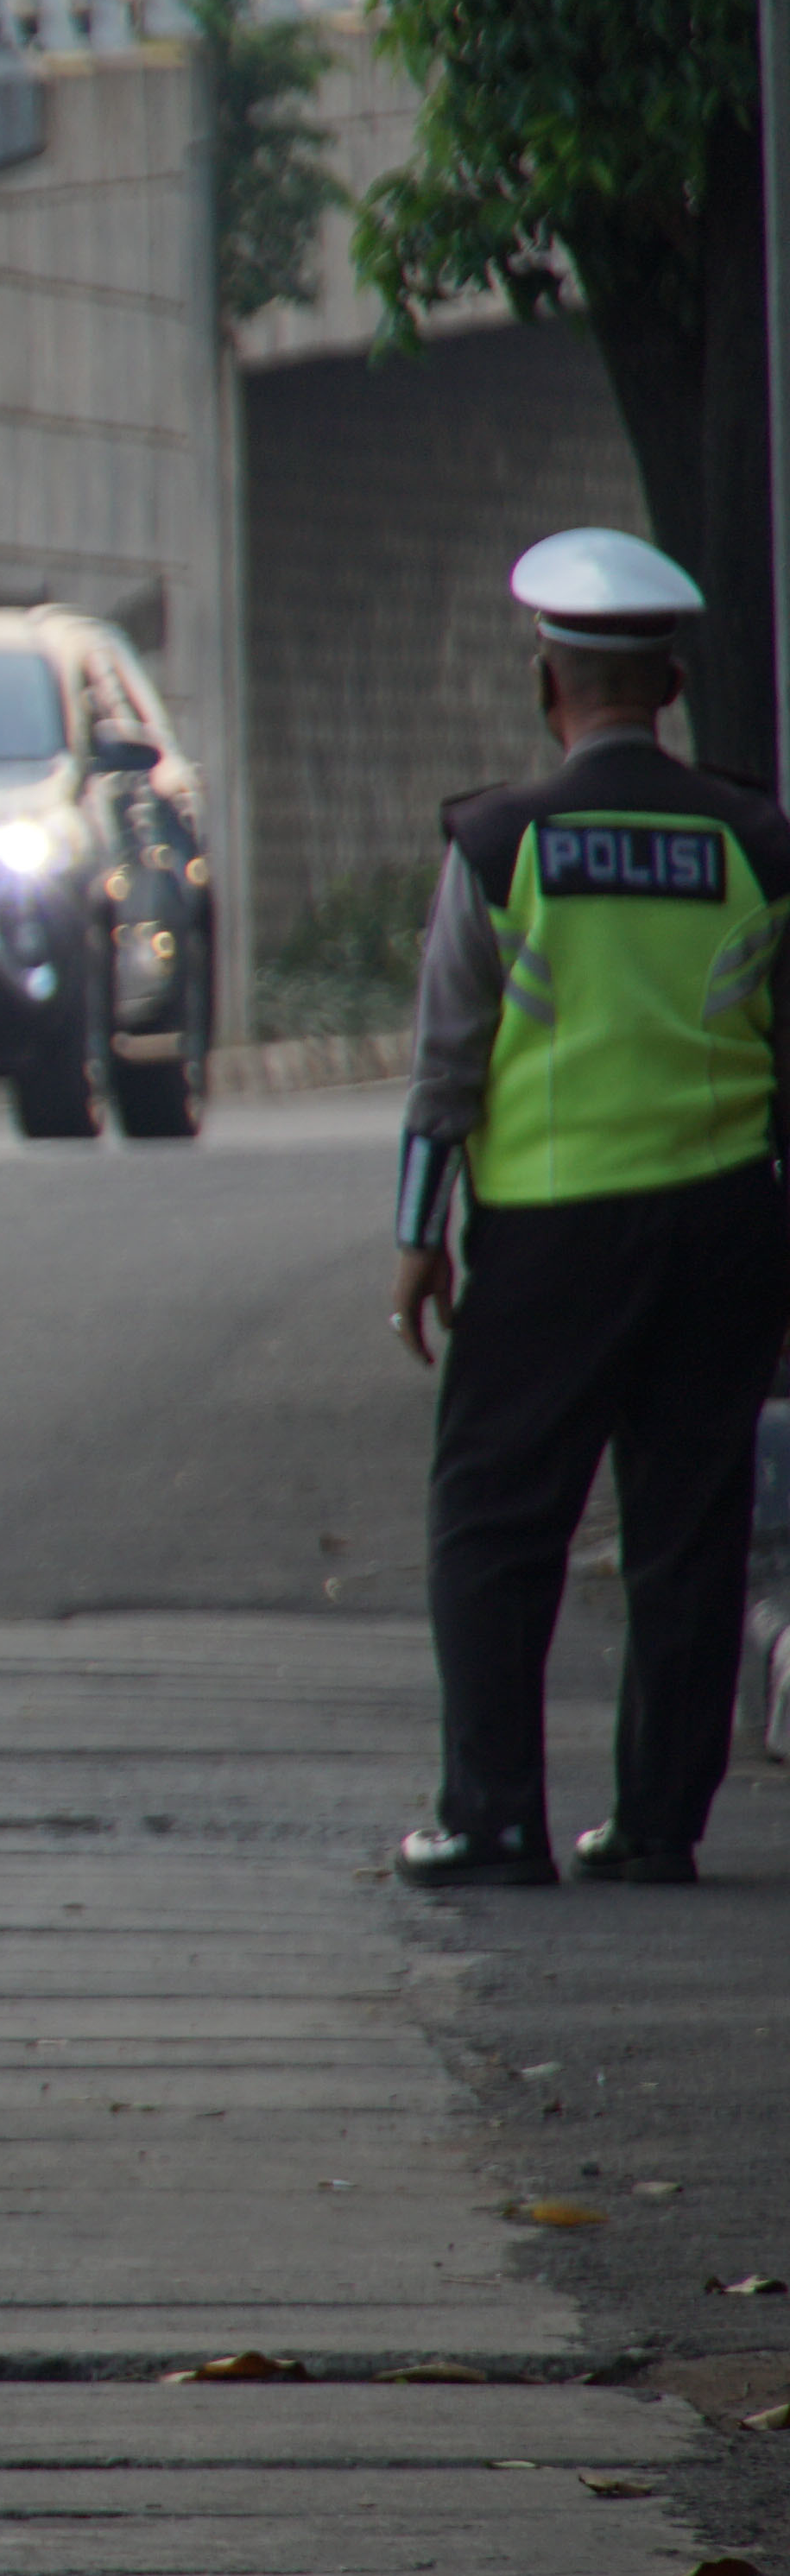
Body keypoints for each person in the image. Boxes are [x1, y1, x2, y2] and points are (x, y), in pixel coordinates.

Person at [387, 530, 790, 1888]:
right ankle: (658, 1828)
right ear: (669, 685)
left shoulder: (500, 844)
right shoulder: (757, 842)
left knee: (494, 1517)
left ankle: (492, 1816)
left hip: (552, 1239)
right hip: (725, 1232)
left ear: (545, 683)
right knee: (688, 1523)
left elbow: (449, 1056)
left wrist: (415, 1237)